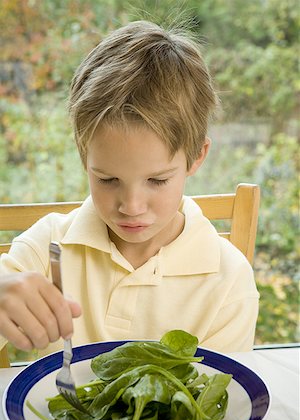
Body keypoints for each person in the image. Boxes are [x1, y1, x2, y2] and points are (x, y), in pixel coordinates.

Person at [0, 20, 259, 358]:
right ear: (84, 155)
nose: (132, 206)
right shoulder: (49, 249)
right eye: (108, 180)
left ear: (197, 157)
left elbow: (217, 403)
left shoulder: (229, 284)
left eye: (157, 180)